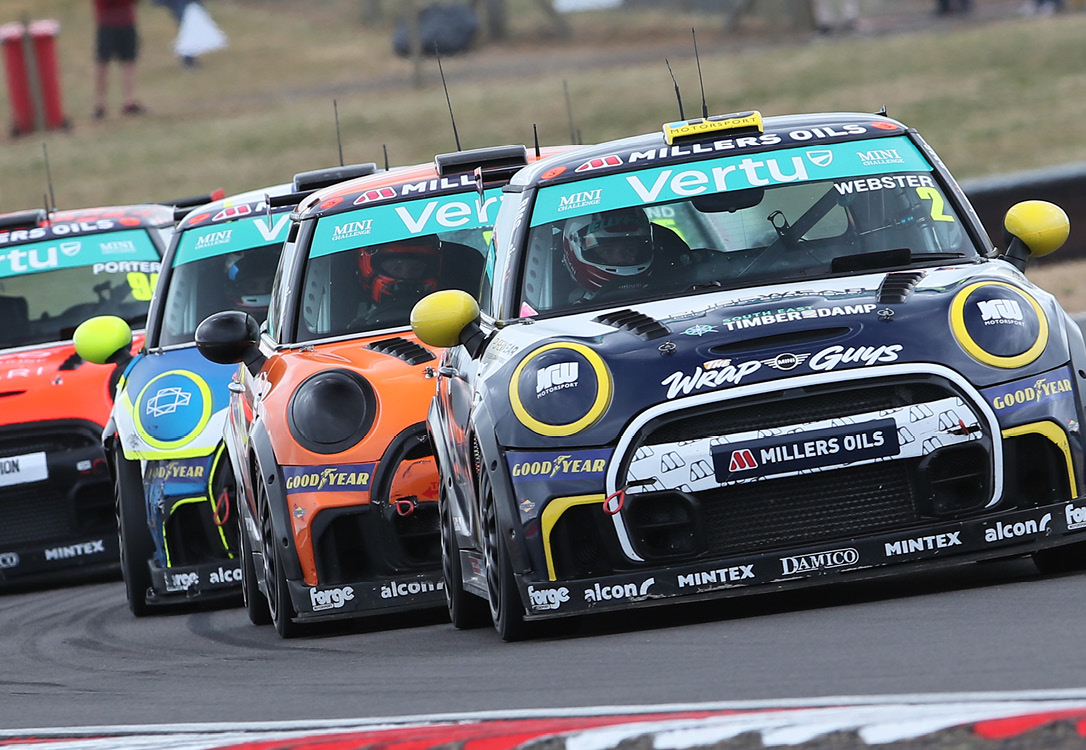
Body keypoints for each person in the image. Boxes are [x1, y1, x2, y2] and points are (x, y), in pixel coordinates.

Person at [562, 208, 657, 303]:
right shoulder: (559, 307)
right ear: (572, 251)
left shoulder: (667, 292)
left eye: (629, 250)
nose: (619, 259)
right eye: (606, 251)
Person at [355, 236, 442, 326]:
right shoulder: (353, 328)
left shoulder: (444, 318)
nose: (406, 276)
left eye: (416, 269)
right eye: (396, 268)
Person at [92, 0, 144, 119]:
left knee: (129, 62)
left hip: (125, 21)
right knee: (103, 63)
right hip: (107, 22)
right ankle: (100, 104)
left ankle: (128, 101)